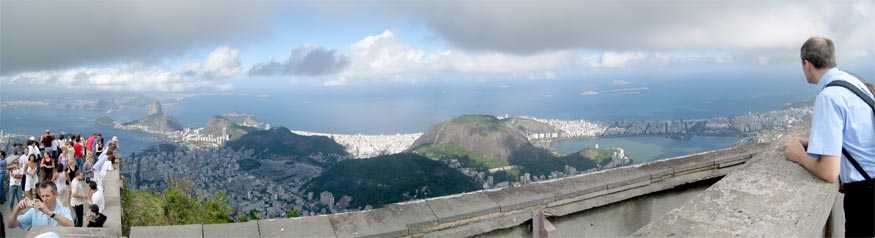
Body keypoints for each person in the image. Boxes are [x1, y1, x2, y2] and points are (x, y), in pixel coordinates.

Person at [784, 37, 875, 237]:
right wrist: (814, 142)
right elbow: (857, 133)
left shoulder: (829, 96)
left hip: (866, 196)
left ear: (806, 64)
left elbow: (828, 172)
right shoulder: (852, 82)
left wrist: (799, 155)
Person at [7, 181, 74, 229]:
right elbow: (11, 225)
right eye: (42, 196)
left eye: (47, 196)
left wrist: (49, 213)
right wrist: (17, 209)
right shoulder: (34, 211)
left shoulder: (64, 211)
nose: (44, 199)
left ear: (56, 194)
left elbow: (71, 225)